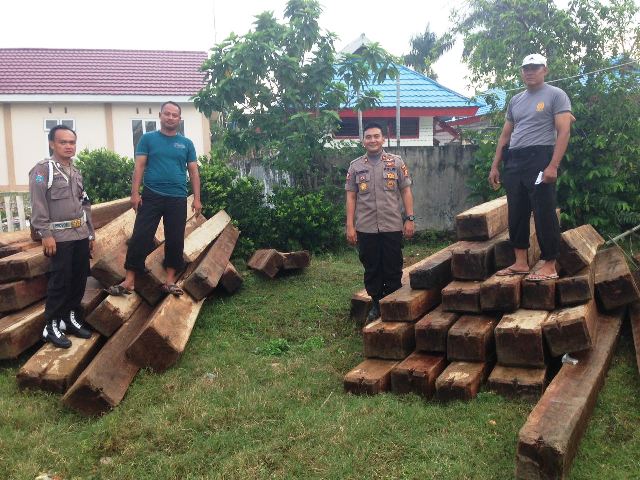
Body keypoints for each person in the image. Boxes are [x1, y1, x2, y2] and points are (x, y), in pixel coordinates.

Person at [489, 54, 572, 282]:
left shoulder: (556, 95)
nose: (530, 72)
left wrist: (553, 165)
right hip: (514, 159)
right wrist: (495, 165)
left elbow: (564, 131)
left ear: (545, 69)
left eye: (535, 68)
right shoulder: (515, 100)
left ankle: (550, 264)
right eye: (526, 68)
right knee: (516, 210)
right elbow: (505, 135)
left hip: (540, 157)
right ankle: (520, 262)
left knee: (543, 209)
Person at [107, 101, 202, 297]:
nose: (170, 117)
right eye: (167, 114)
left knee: (175, 239)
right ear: (160, 116)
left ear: (179, 119)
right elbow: (139, 166)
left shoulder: (186, 144)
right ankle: (129, 281)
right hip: (151, 195)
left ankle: (169, 281)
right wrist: (135, 193)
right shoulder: (148, 139)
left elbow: (193, 172)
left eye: (174, 115)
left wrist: (197, 199)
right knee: (140, 236)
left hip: (177, 197)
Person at [30, 125, 94, 348]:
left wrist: (90, 235)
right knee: (60, 282)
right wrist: (45, 234)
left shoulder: (75, 172)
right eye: (63, 142)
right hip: (59, 238)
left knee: (78, 279)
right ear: (52, 144)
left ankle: (69, 319)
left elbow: (84, 204)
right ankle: (51, 325)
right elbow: (38, 205)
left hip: (79, 234)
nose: (68, 146)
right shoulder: (42, 171)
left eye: (72, 142)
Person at [345, 122, 415, 323]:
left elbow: (406, 191)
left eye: (376, 136)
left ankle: (392, 304)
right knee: (372, 267)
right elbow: (351, 197)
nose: (373, 140)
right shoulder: (356, 166)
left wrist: (409, 218)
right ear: (363, 141)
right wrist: (350, 226)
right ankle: (376, 304)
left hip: (392, 225)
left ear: (383, 139)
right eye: (368, 137)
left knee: (393, 266)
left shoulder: (396, 162)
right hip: (366, 228)